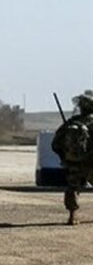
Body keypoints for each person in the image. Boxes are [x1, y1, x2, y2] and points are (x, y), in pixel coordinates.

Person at [52, 90, 93, 226]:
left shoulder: (71, 123)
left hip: (73, 162)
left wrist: (65, 157)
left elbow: (55, 144)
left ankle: (72, 216)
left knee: (72, 187)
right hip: (90, 162)